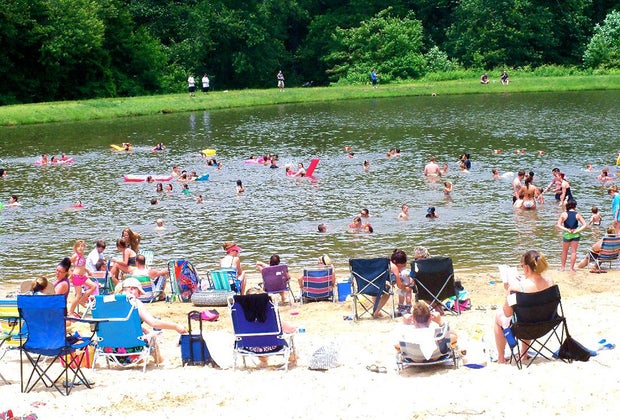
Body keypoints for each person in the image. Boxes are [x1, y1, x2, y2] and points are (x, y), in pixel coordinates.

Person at [493, 250, 553, 363]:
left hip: (525, 327)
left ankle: (501, 358)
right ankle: (524, 354)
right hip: (547, 324)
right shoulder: (550, 282)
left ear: (526, 267)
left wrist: (509, 290)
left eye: (522, 266)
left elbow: (507, 313)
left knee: (498, 317)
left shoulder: (516, 288)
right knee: (529, 314)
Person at [118, 277, 187, 363]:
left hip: (110, 349)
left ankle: (141, 360)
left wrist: (142, 329)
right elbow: (153, 323)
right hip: (132, 348)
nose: (139, 295)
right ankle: (160, 360)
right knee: (151, 337)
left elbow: (118, 324)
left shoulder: (107, 302)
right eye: (139, 292)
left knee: (143, 332)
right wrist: (176, 326)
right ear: (131, 289)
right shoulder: (134, 303)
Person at [556, 198, 588, 271]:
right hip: (575, 234)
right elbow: (585, 225)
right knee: (573, 252)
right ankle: (571, 268)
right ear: (575, 206)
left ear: (567, 205)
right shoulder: (577, 214)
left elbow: (558, 225)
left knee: (564, 251)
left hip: (567, 234)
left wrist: (567, 229)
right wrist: (577, 230)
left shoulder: (564, 214)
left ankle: (563, 267)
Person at [68, 240, 98, 317]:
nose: (81, 248)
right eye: (79, 246)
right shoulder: (75, 255)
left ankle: (82, 300)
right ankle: (70, 312)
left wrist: (88, 271)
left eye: (82, 246)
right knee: (78, 295)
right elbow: (66, 264)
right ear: (75, 248)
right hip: (77, 277)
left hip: (83, 276)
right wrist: (71, 273)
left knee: (93, 286)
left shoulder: (82, 256)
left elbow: (82, 267)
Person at [391, 249, 412, 316]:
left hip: (405, 285)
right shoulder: (406, 271)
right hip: (407, 285)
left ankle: (403, 306)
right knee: (405, 295)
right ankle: (407, 307)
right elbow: (411, 276)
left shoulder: (401, 271)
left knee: (403, 294)